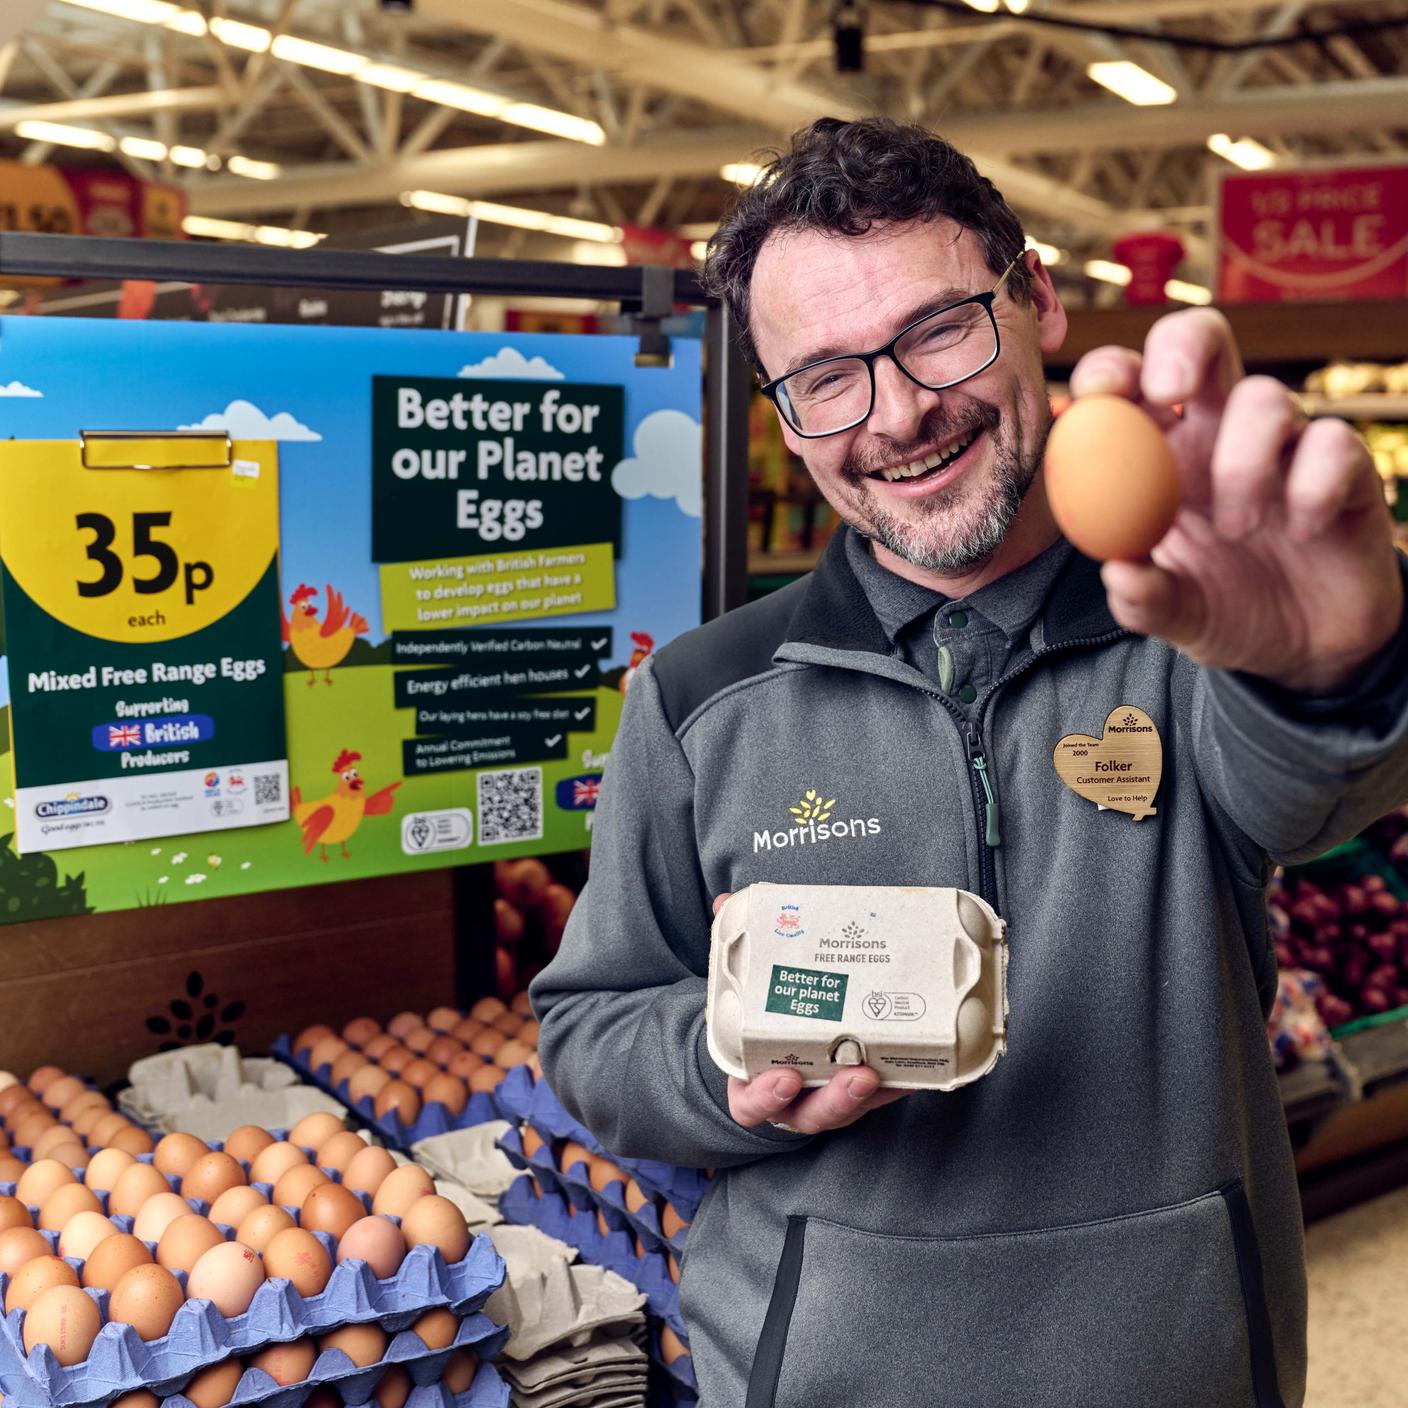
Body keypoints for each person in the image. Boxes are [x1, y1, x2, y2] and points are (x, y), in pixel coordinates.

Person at [530, 116, 1408, 1407]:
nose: (898, 415)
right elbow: (591, 1024)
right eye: (826, 378)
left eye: (939, 329)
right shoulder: (702, 701)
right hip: (825, 1380)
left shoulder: (1189, 641)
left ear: (1037, 297)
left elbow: (1318, 790)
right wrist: (729, 1063)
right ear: (784, 414)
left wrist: (1327, 670)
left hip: (1175, 1368)